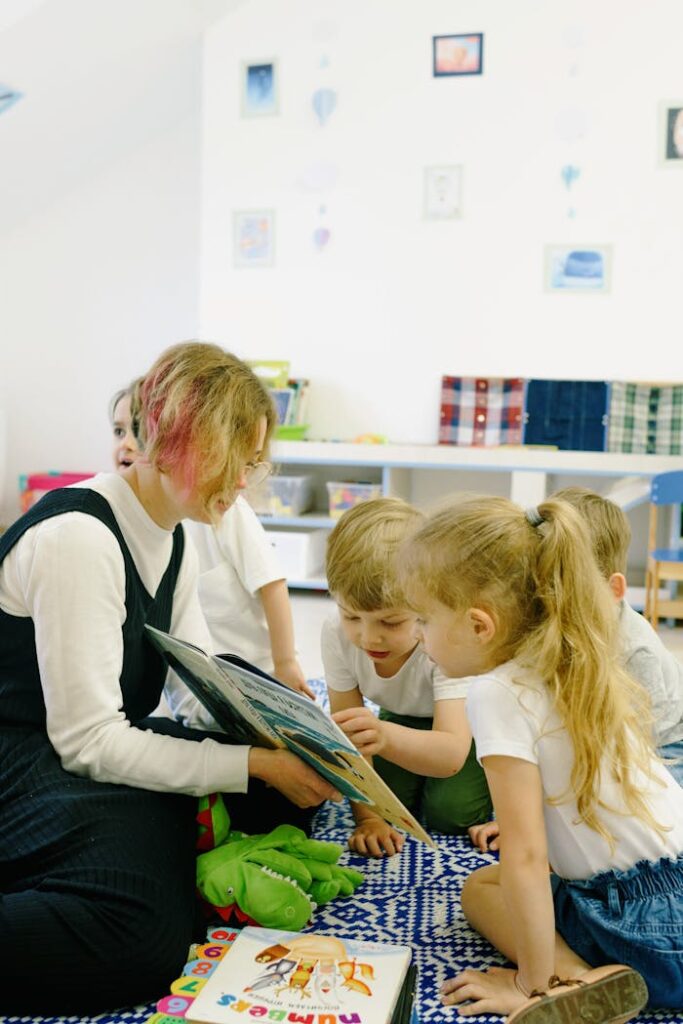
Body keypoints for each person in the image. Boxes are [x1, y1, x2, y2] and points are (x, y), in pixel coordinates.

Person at [0, 341, 340, 1015]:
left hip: (79, 741)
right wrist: (250, 765)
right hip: (28, 756)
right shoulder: (80, 538)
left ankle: (159, 856)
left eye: (253, 462)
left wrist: (290, 736)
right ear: (180, 439)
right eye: (236, 459)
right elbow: (89, 744)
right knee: (136, 940)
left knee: (290, 788)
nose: (244, 481)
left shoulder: (174, 531)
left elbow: (193, 680)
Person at [399, 493, 683, 1020]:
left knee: (482, 890)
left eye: (423, 618)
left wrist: (530, 982)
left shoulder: (496, 693)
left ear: (480, 625)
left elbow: (526, 858)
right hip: (674, 904)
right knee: (491, 882)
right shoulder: (585, 657)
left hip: (646, 936)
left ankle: (566, 980)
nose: (418, 635)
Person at [469, 484, 683, 855]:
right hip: (589, 730)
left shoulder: (635, 651)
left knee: (636, 829)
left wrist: (539, 825)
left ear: (611, 587)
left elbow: (629, 759)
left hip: (660, 749)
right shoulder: (550, 623)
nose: (548, 601)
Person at [110, 380, 310, 695]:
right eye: (119, 431)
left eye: (139, 432)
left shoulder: (226, 509)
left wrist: (285, 662)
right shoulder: (128, 522)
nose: (129, 445)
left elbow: (272, 584)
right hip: (201, 685)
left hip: (259, 677)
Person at [321, 497, 492, 858]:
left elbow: (450, 753)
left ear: (425, 605)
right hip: (402, 719)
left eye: (391, 622)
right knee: (387, 805)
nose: (369, 638)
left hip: (472, 722)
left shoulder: (444, 637)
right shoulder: (334, 633)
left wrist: (382, 735)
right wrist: (368, 819)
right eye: (351, 617)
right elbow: (349, 741)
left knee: (451, 812)